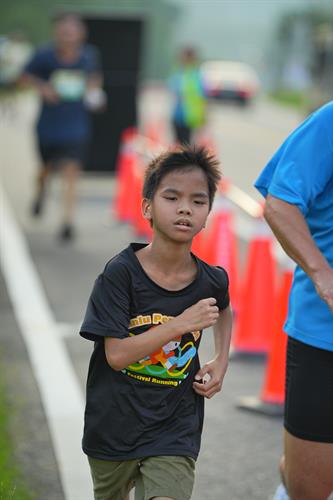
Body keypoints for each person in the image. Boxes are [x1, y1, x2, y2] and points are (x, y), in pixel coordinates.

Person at [80, 145, 233, 500]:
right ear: (147, 207)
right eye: (172, 197)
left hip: (174, 425)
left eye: (198, 201)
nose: (185, 208)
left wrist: (221, 359)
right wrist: (180, 324)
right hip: (114, 425)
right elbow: (116, 355)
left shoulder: (210, 280)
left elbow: (224, 307)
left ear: (208, 213)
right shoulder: (119, 276)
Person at [255, 101, 333, 500]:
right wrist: (323, 276)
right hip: (324, 335)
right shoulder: (330, 122)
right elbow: (280, 203)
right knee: (310, 489)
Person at [22, 13, 105, 242]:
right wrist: (43, 88)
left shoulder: (89, 56)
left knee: (72, 170)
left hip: (76, 124)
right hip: (49, 124)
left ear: (81, 34)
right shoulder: (44, 55)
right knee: (45, 169)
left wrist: (95, 93)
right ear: (56, 33)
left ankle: (67, 222)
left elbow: (94, 78)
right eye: (63, 32)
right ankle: (41, 192)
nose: (68, 36)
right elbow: (24, 75)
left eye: (72, 32)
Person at [169, 48, 207, 145]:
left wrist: (203, 118)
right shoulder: (182, 73)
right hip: (179, 115)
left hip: (188, 117)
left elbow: (202, 98)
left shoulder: (192, 75)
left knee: (184, 146)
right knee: (181, 145)